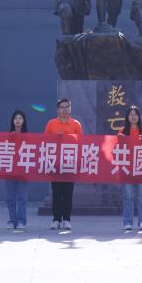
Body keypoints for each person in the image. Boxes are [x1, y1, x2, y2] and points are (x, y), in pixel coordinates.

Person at [45, 97, 83, 230]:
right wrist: (55, 138)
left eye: (67, 107)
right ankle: (56, 219)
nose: (64, 109)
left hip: (70, 163)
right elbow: (44, 141)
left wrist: (69, 138)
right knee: (56, 193)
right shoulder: (51, 124)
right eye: (62, 107)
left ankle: (66, 219)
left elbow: (81, 142)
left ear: (70, 109)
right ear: (58, 110)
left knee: (68, 193)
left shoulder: (76, 124)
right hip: (55, 163)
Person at [118, 105, 142, 231]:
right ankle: (127, 222)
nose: (133, 116)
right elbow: (117, 149)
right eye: (130, 114)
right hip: (126, 169)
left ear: (139, 117)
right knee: (128, 196)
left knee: (141, 196)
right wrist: (120, 140)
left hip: (141, 168)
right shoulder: (122, 131)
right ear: (127, 117)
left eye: (135, 114)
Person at [5, 110, 30, 230]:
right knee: (10, 198)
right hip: (10, 169)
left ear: (24, 121)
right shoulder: (8, 136)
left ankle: (21, 220)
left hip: (23, 169)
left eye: (20, 118)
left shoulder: (28, 136)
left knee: (22, 198)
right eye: (16, 118)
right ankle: (12, 220)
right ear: (12, 121)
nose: (18, 120)